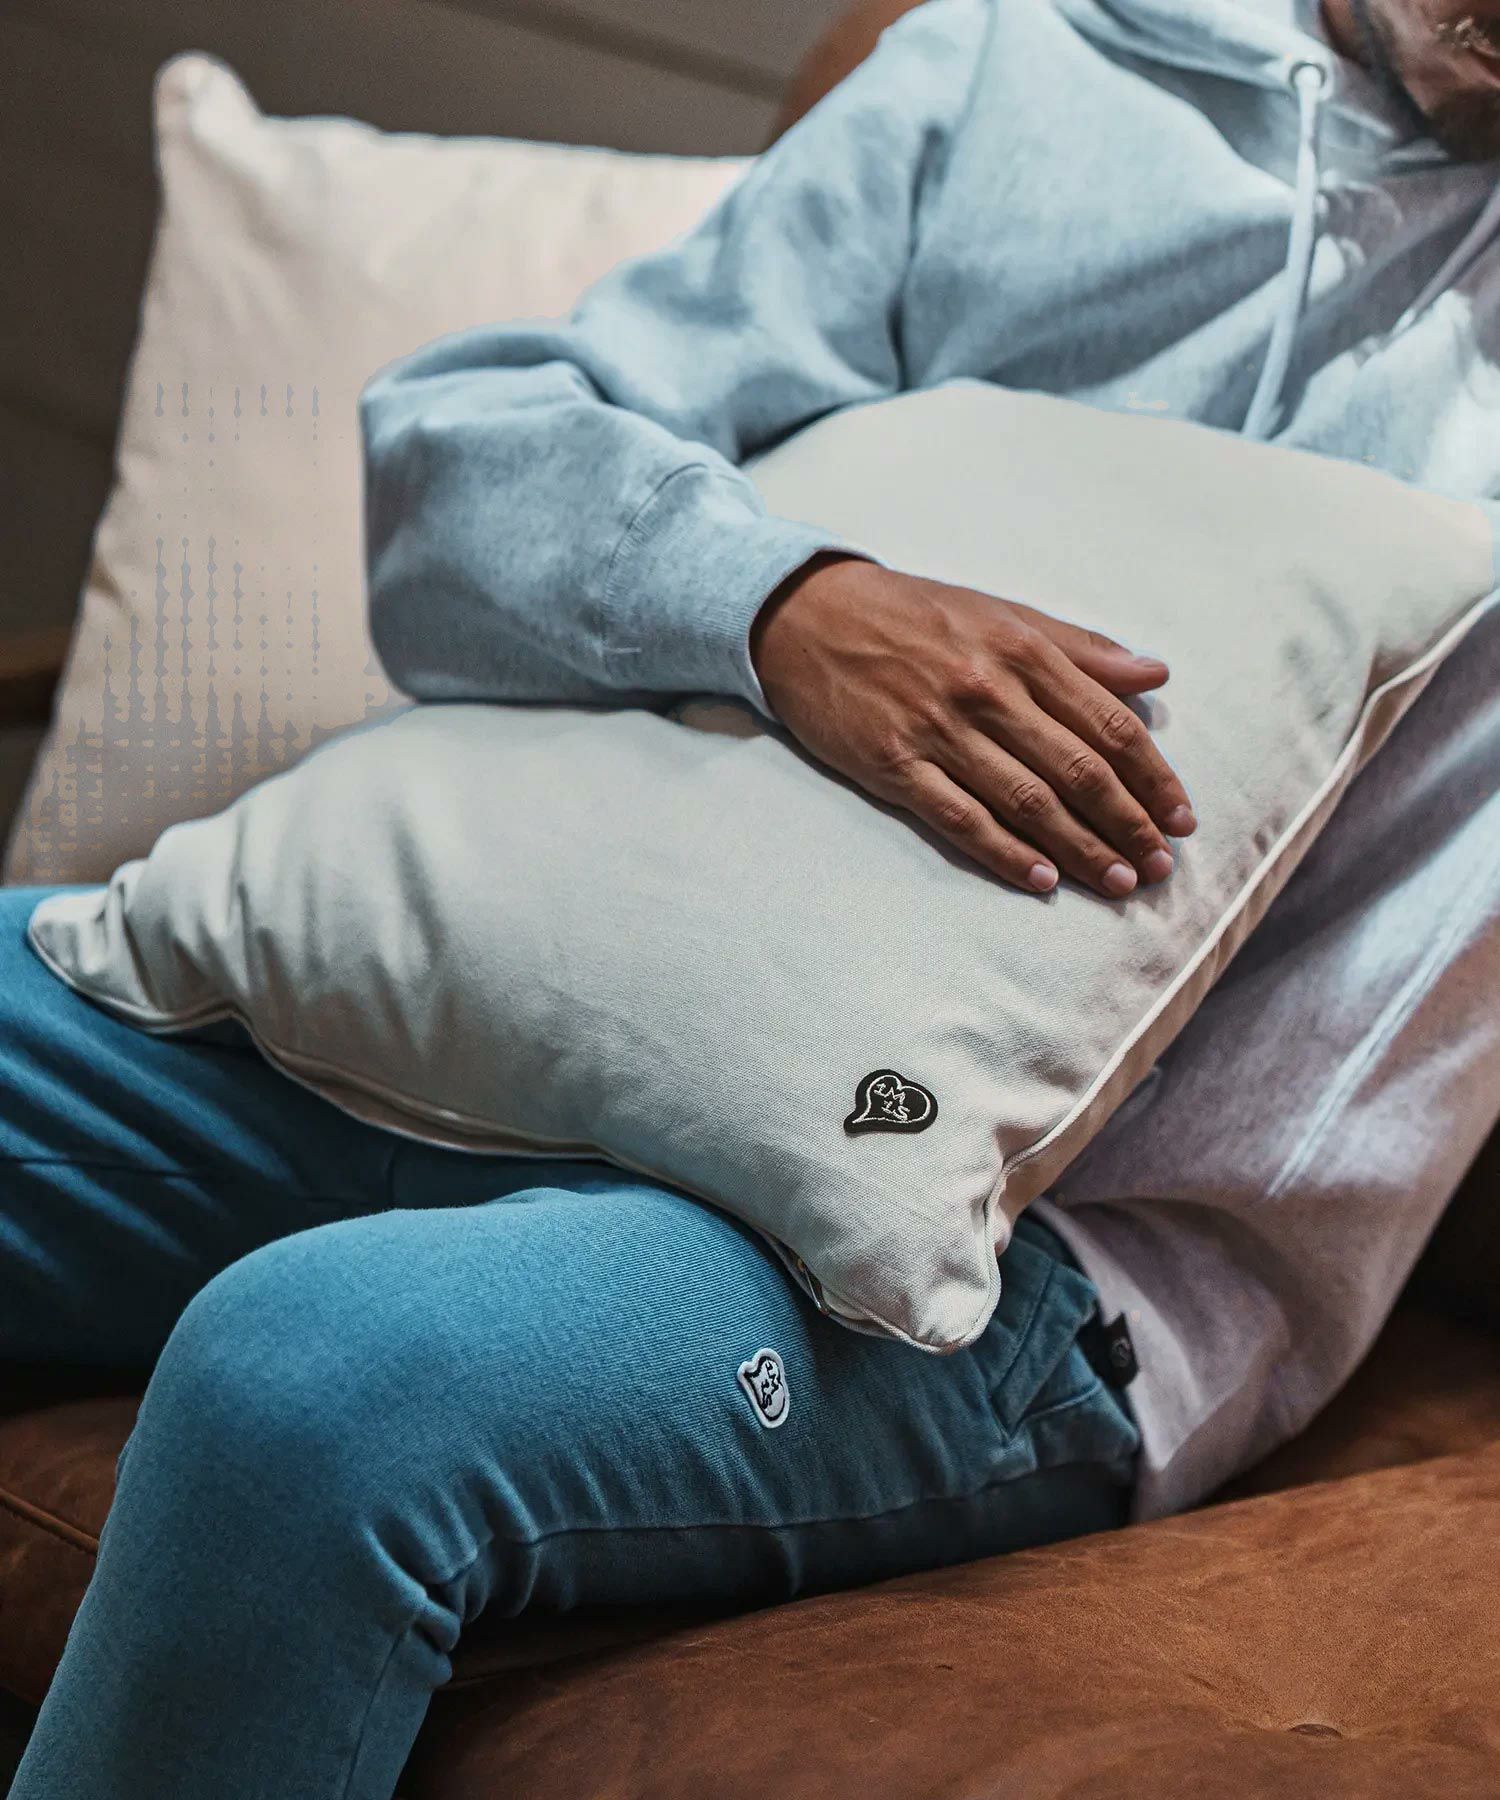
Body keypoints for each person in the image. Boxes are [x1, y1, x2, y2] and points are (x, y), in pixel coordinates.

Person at [6, 0, 1498, 1794]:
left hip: (1015, 1267)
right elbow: (463, 464)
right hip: (533, 1005)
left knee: (313, 1391)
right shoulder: (1023, 72)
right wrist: (784, 609)